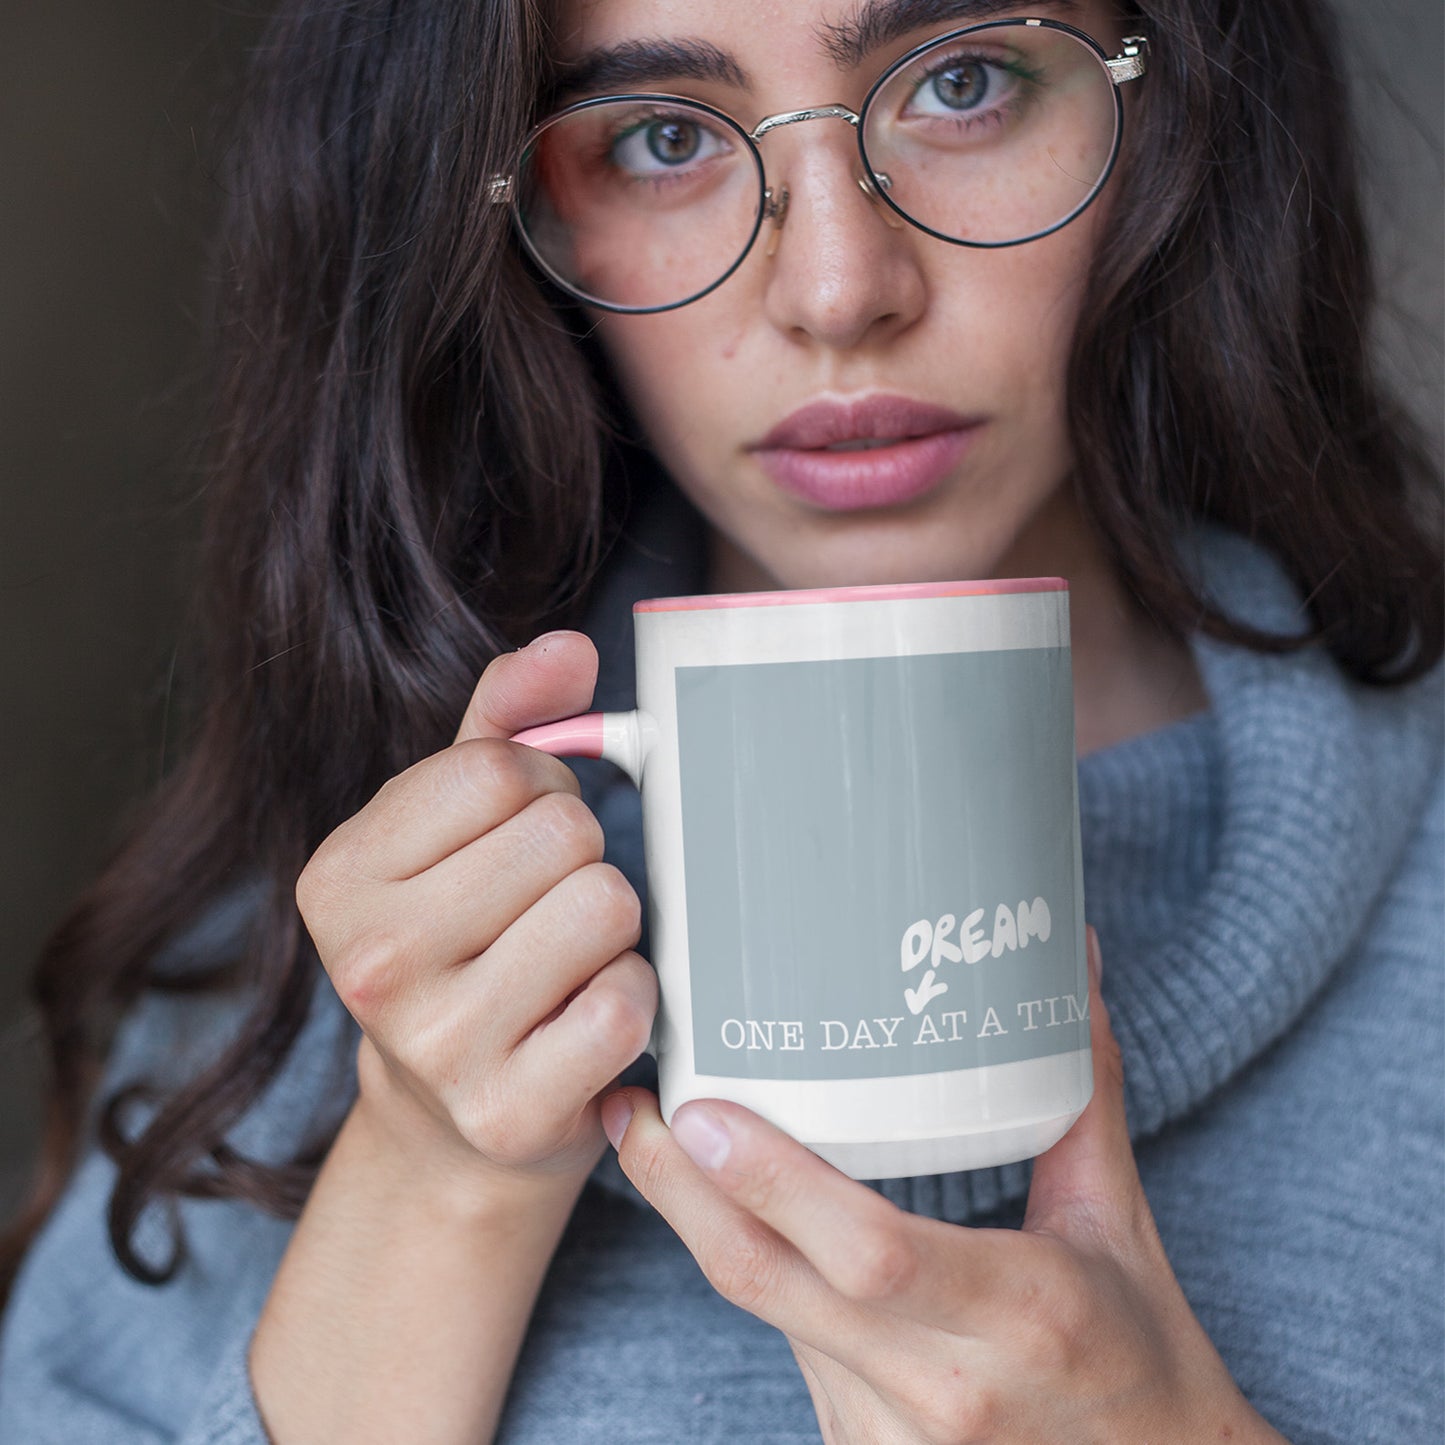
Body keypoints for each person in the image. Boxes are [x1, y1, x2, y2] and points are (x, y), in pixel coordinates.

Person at [0, 0, 1440, 1440]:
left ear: (1173, 103)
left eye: (962, 82)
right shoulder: (331, 940)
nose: (832, 288)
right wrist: (434, 1182)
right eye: (663, 137)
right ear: (515, 219)